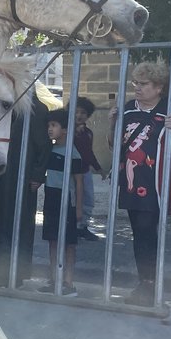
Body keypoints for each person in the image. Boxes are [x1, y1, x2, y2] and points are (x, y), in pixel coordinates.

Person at [109, 62, 171, 306]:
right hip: (132, 181)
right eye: (135, 83)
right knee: (139, 232)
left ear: (159, 87)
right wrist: (112, 123)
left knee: (148, 229)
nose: (137, 88)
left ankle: (150, 285)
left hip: (159, 182)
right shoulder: (128, 108)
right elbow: (114, 146)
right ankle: (146, 283)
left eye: (143, 84)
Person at [0, 85, 56, 289]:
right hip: (0, 175)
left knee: (15, 224)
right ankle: (0, 270)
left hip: (20, 175)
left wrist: (37, 175)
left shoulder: (35, 109)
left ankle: (12, 273)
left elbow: (44, 146)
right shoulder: (4, 108)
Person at [38, 109, 84, 297]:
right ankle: (54, 279)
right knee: (52, 239)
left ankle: (68, 282)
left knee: (68, 242)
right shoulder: (49, 150)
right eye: (48, 125)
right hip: (51, 197)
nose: (50, 129)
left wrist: (79, 208)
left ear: (64, 129)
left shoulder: (73, 153)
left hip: (67, 200)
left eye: (54, 125)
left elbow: (79, 182)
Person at [71, 96, 102, 241]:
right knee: (73, 199)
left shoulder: (88, 133)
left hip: (85, 171)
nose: (79, 115)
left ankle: (82, 227)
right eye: (76, 112)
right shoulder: (66, 131)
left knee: (88, 199)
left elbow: (89, 152)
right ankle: (71, 226)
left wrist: (98, 168)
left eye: (83, 112)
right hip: (71, 172)